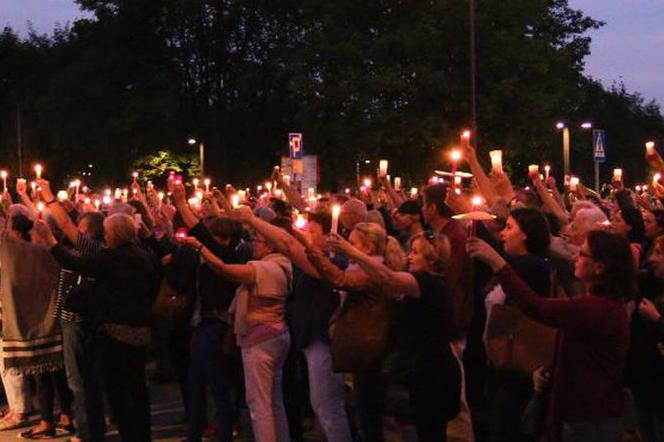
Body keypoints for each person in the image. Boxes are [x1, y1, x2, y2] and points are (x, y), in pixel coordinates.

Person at [467, 230, 633, 442]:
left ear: (600, 267)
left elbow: (535, 306)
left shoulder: (597, 307)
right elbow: (583, 352)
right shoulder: (600, 304)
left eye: (582, 254)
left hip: (589, 415)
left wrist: (496, 262)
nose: (576, 257)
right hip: (587, 410)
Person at [36, 213, 160, 442]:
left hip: (115, 332)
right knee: (138, 389)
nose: (106, 235)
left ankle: (130, 436)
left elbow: (74, 262)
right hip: (141, 331)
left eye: (108, 232)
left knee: (119, 392)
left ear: (114, 234)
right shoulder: (145, 256)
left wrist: (50, 240)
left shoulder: (110, 258)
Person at [328, 230, 461, 442]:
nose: (409, 256)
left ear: (432, 257)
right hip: (425, 368)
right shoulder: (428, 281)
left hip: (434, 371)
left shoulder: (427, 282)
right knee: (427, 430)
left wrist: (349, 250)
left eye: (416, 252)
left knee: (431, 432)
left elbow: (387, 277)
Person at [240, 209, 353, 442]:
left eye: (312, 232)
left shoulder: (330, 263)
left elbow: (289, 246)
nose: (307, 235)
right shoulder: (314, 263)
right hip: (312, 340)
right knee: (322, 404)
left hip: (323, 341)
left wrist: (252, 220)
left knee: (327, 406)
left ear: (328, 236)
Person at [178, 213, 292, 442]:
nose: (253, 245)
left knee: (259, 405)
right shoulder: (282, 265)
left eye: (258, 241)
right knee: (273, 400)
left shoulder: (265, 269)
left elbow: (223, 268)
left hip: (260, 338)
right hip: (274, 335)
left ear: (270, 246)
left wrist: (199, 246)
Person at [306, 222, 405, 442]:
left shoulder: (373, 272)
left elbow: (339, 279)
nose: (346, 247)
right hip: (365, 348)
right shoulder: (367, 268)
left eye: (351, 244)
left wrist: (312, 249)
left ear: (368, 248)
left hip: (369, 350)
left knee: (369, 415)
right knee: (365, 412)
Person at [38, 179, 107, 442]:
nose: (74, 231)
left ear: (88, 233)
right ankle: (91, 428)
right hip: (73, 321)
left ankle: (88, 432)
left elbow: (65, 225)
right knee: (82, 378)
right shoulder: (90, 250)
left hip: (79, 322)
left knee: (79, 379)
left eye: (80, 229)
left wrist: (48, 196)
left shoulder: (94, 251)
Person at [627, 234, 664, 442]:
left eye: (659, 253)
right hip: (644, 383)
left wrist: (657, 320)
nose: (652, 259)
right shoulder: (651, 282)